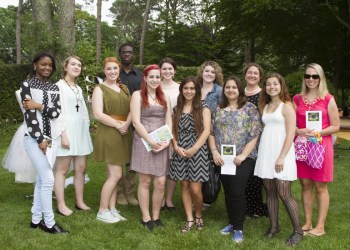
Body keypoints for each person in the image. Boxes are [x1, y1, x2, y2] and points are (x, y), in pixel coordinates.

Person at [208, 76, 262, 243]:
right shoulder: (218, 108)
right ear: (224, 90)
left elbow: (254, 134)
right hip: (223, 158)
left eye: (234, 87)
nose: (231, 90)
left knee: (237, 191)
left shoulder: (250, 108)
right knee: (229, 191)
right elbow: (211, 132)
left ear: (239, 90)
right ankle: (232, 222)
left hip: (243, 158)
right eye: (228, 87)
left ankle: (238, 228)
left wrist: (244, 155)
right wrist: (215, 152)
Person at [21, 52, 68, 234]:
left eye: (50, 65)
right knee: (48, 179)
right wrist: (40, 139)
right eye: (43, 64)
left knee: (42, 179)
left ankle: (35, 219)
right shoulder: (27, 85)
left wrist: (38, 105)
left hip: (52, 138)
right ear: (35, 65)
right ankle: (48, 222)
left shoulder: (53, 88)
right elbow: (29, 116)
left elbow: (56, 113)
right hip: (35, 139)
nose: (47, 68)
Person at [255, 73, 303, 246]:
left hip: (282, 152)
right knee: (269, 191)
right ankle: (274, 227)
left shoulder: (287, 106)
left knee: (284, 193)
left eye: (275, 84)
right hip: (266, 152)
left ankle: (298, 231)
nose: (272, 87)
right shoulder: (265, 106)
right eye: (268, 84)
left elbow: (291, 133)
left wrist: (281, 157)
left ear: (281, 86)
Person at [293, 63, 340, 237]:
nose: (311, 79)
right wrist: (298, 131)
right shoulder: (297, 99)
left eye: (315, 76)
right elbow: (293, 123)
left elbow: (335, 126)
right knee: (305, 185)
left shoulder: (328, 99)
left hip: (321, 145)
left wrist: (319, 132)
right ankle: (307, 222)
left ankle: (320, 226)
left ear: (320, 78)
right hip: (303, 146)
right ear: (304, 78)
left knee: (320, 186)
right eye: (308, 76)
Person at [130, 64, 172, 231]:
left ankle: (156, 215)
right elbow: (135, 121)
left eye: (157, 77)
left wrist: (166, 141)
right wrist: (149, 140)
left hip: (161, 141)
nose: (155, 80)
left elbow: (169, 119)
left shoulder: (165, 97)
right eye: (152, 77)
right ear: (145, 78)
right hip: (143, 140)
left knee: (161, 182)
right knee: (145, 181)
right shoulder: (137, 95)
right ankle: (146, 217)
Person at [92, 57, 133, 223]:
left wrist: (127, 124)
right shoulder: (99, 89)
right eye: (109, 69)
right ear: (104, 70)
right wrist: (118, 125)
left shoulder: (124, 88)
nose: (112, 72)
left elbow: (132, 109)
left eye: (115, 68)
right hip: (109, 132)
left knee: (116, 174)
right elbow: (98, 114)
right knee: (115, 175)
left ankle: (112, 208)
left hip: (124, 131)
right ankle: (102, 211)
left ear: (119, 70)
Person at [169, 76, 211, 232]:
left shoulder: (203, 107)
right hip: (180, 149)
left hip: (197, 149)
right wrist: (176, 147)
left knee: (195, 189)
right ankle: (189, 218)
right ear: (181, 90)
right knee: (184, 185)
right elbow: (172, 130)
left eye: (192, 88)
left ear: (197, 90)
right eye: (186, 88)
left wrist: (194, 148)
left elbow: (207, 130)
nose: (189, 91)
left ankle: (198, 214)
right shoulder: (177, 108)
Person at [54, 56, 93, 216]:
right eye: (73, 64)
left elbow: (83, 110)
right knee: (62, 170)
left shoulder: (78, 88)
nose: (77, 67)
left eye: (79, 65)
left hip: (80, 131)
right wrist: (63, 134)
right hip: (66, 131)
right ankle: (61, 205)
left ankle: (80, 202)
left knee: (81, 169)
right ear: (65, 67)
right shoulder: (58, 86)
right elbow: (57, 113)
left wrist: (86, 128)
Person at [116, 42, 143, 206]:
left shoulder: (140, 77)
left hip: (136, 123)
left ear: (134, 55)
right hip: (117, 121)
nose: (127, 54)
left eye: (130, 52)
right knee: (118, 159)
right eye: (124, 52)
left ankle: (129, 192)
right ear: (120, 54)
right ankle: (119, 192)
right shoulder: (113, 74)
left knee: (132, 162)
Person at [243, 62, 269, 218]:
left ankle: (256, 208)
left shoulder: (264, 94)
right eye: (249, 72)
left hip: (260, 138)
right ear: (245, 74)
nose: (252, 75)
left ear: (260, 77)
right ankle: (245, 206)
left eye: (255, 73)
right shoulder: (240, 92)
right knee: (243, 174)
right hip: (241, 138)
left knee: (255, 175)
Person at [197, 60, 223, 210]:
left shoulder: (219, 91)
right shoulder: (195, 88)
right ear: (202, 72)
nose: (209, 74)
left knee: (210, 165)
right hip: (194, 131)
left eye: (212, 72)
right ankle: (197, 194)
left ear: (216, 75)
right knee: (197, 163)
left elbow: (221, 113)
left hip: (212, 132)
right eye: (207, 71)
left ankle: (208, 197)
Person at [2, 90, 36, 183]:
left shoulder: (40, 91)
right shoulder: (18, 92)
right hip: (27, 128)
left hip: (41, 129)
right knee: (27, 158)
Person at [159, 57, 180, 211]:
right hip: (159, 129)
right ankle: (159, 198)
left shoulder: (180, 88)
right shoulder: (155, 86)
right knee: (160, 164)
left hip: (176, 129)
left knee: (173, 165)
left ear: (174, 70)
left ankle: (169, 199)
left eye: (170, 68)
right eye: (164, 68)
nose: (167, 71)